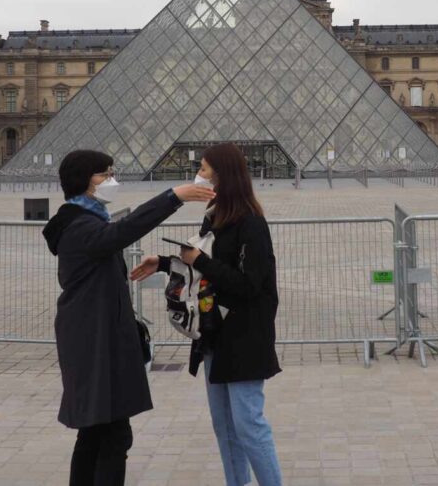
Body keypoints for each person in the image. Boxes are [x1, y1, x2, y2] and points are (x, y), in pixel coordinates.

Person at [42, 149, 215, 486]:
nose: (112, 180)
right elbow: (123, 232)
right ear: (84, 181)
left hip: (96, 334)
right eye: (104, 174)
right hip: (92, 339)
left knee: (96, 433)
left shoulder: (83, 219)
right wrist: (173, 196)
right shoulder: (80, 226)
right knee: (112, 435)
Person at [131, 143, 283, 486]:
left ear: (222, 175)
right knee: (225, 426)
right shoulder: (215, 217)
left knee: (249, 425)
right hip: (215, 334)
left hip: (244, 336)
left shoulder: (251, 224)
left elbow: (247, 285)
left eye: (203, 167)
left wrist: (197, 260)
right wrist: (165, 262)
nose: (197, 173)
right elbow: (204, 271)